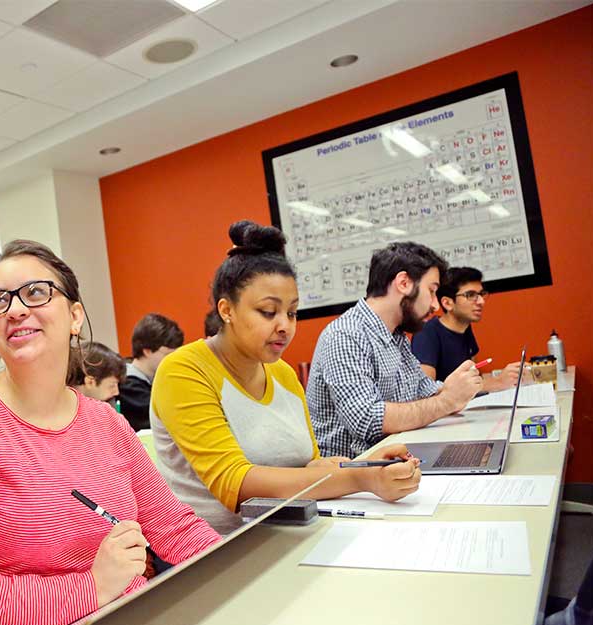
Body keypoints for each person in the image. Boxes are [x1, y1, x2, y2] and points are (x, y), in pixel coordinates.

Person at [0, 240, 220, 625]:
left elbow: (174, 528)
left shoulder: (106, 422)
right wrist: (94, 586)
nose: (16, 310)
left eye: (36, 293)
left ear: (75, 316)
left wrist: (239, 572)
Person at [151, 221, 421, 534]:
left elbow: (311, 464)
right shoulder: (183, 370)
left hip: (286, 529)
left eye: (292, 313)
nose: (285, 326)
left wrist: (366, 464)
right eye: (268, 311)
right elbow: (236, 484)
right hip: (213, 547)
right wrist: (360, 480)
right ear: (227, 310)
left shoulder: (281, 372)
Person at [307, 242, 483, 459]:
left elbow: (423, 389)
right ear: (404, 283)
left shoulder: (396, 335)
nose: (436, 305)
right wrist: (447, 401)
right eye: (432, 291)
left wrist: (454, 388)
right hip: (352, 474)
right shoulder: (345, 334)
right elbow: (368, 420)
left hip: (394, 460)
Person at [412, 266, 524, 391]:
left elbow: (473, 376)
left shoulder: (465, 327)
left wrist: (504, 377)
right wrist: (496, 382)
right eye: (470, 295)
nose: (481, 301)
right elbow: (425, 391)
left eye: (481, 294)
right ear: (447, 303)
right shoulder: (427, 332)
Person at [117, 314, 184, 431]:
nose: (174, 360)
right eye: (168, 355)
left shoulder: (154, 379)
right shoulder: (128, 386)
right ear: (147, 351)